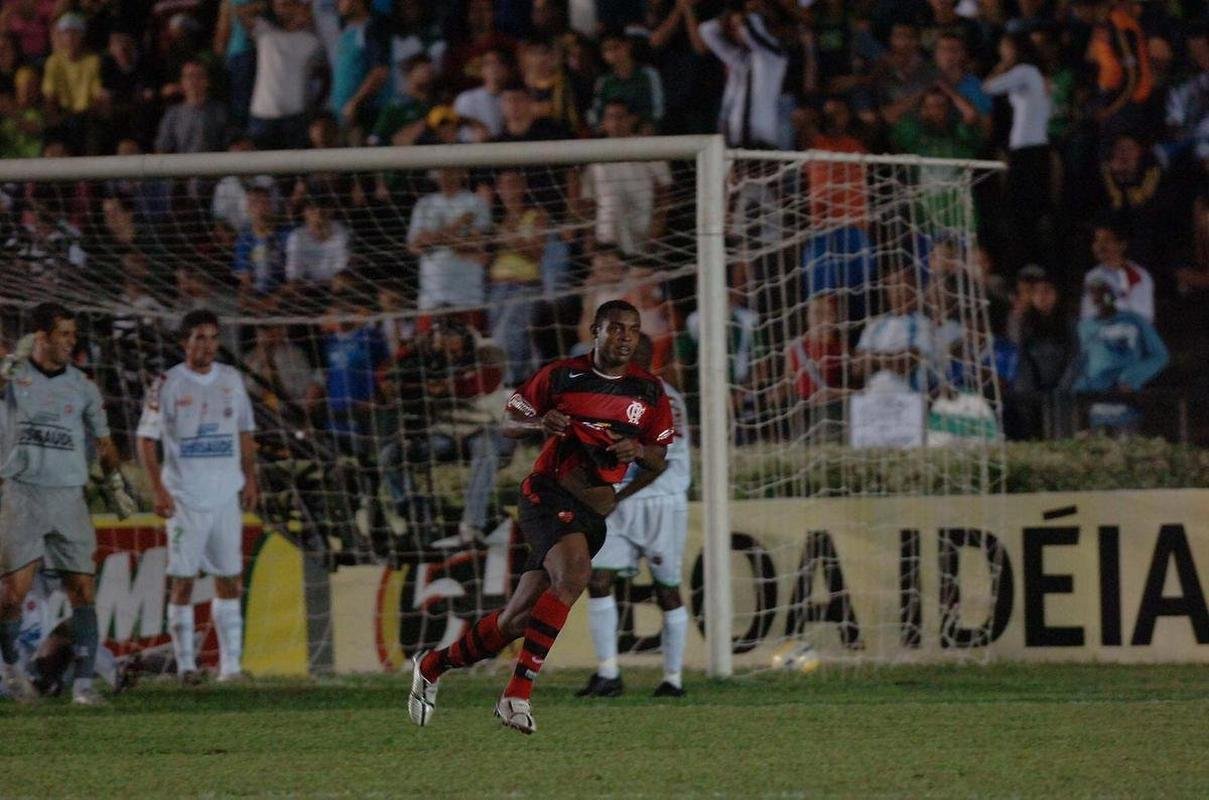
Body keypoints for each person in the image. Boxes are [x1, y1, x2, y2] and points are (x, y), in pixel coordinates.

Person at [409, 300, 675, 735]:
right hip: (546, 493)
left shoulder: (648, 391)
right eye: (615, 328)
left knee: (516, 620)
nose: (625, 337)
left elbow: (659, 456)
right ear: (595, 330)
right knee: (574, 575)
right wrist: (539, 425)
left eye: (632, 329)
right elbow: (510, 419)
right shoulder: (561, 374)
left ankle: (432, 666)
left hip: (590, 511)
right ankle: (516, 695)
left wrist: (638, 452)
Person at [0, 302, 136, 705]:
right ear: (41, 337)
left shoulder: (83, 386)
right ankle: (10, 670)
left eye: (73, 335)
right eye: (63, 334)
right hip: (22, 494)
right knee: (11, 596)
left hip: (69, 498)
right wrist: (9, 362)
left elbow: (105, 442)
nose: (71, 342)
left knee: (82, 590)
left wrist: (115, 485)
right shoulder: (15, 376)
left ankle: (83, 688)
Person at [136, 309, 258, 684]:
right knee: (184, 580)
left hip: (225, 496)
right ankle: (187, 666)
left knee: (229, 578)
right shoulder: (167, 383)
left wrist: (251, 478)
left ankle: (231, 668)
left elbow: (245, 432)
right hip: (185, 498)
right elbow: (145, 439)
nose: (207, 345)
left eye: (212, 337)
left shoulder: (231, 380)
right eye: (199, 338)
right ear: (184, 343)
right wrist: (158, 488)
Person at [577, 333, 689, 699]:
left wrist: (614, 495)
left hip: (660, 503)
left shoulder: (658, 396)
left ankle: (672, 680)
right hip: (620, 502)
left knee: (666, 589)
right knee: (598, 579)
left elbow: (657, 463)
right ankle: (608, 674)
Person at [1074, 278, 1168, 432]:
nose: (1099, 297)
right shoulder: (1085, 327)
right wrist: (1081, 389)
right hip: (1096, 406)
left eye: (1104, 292)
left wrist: (1131, 378)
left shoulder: (1134, 321)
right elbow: (1082, 362)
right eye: (1093, 293)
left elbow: (1160, 355)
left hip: (1128, 404)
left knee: (1129, 449)